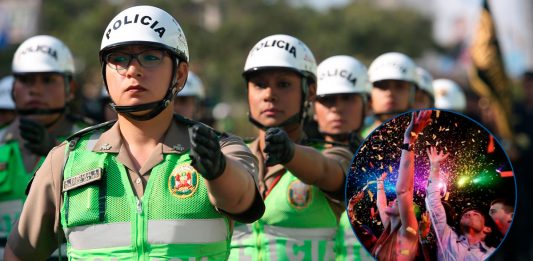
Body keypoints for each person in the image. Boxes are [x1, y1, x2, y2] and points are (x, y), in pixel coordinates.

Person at [4, 5, 264, 260]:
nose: (133, 70)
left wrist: (218, 170)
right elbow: (19, 253)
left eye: (150, 57)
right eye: (118, 59)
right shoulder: (66, 160)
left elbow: (243, 201)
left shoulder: (221, 150)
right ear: (105, 73)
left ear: (180, 74)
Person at [229, 34, 348, 260]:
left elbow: (325, 171)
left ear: (310, 91)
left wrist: (290, 154)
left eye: (283, 84)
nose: (269, 95)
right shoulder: (228, 156)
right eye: (259, 85)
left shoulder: (335, 154)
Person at [0, 35, 92, 256]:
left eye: (48, 80)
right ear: (14, 88)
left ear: (70, 87)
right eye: (26, 80)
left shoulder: (95, 141)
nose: (36, 90)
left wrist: (59, 153)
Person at [311, 55, 373, 260]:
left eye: (347, 98)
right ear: (313, 108)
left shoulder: (393, 162)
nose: (337, 107)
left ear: (368, 105)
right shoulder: (297, 163)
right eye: (327, 100)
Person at [425, 146, 495, 260]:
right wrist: (434, 167)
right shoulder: (446, 235)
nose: (469, 214)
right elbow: (433, 203)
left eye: (476, 214)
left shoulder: (492, 254)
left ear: (487, 228)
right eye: (465, 214)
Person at [362, 52, 419, 138]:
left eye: (399, 86)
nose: (390, 93)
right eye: (382, 86)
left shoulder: (426, 138)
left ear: (412, 94)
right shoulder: (356, 141)